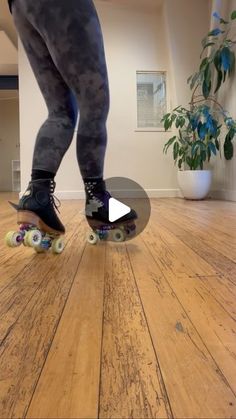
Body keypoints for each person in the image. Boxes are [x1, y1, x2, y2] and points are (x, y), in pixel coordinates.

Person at [8, 0, 136, 237]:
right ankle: (97, 200)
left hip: (20, 8)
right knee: (95, 102)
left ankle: (38, 196)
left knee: (60, 112)